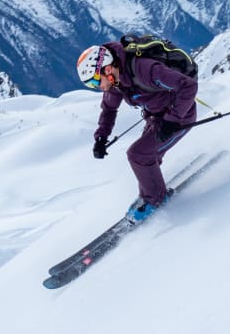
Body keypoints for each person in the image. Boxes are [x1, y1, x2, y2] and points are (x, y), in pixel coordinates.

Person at [76, 41, 197, 222]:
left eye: (95, 81)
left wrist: (173, 120)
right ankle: (150, 195)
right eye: (92, 85)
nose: (98, 87)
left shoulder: (143, 69)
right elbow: (109, 108)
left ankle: (156, 201)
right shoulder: (117, 81)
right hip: (157, 119)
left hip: (180, 117)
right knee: (145, 156)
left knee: (138, 154)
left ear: (107, 69)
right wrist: (101, 136)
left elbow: (188, 86)